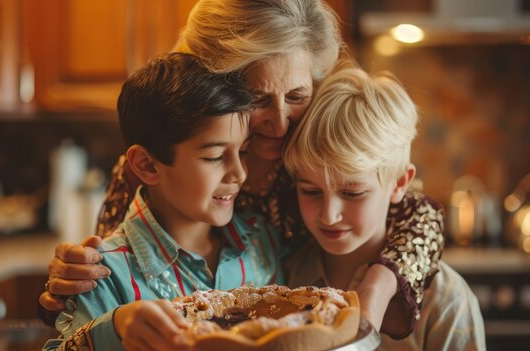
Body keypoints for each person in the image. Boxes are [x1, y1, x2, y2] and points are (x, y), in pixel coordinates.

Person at [40, 0, 445, 337]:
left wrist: (379, 283)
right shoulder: (152, 167)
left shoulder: (313, 150)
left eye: (297, 95)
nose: (281, 123)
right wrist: (71, 282)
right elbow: (109, 277)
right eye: (257, 98)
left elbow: (416, 211)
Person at [43, 53, 286, 351]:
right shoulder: (103, 276)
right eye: (214, 157)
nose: (239, 173)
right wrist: (114, 328)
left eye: (243, 152)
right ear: (147, 165)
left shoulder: (264, 242)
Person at [283, 61, 486, 350]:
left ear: (400, 183)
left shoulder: (445, 302)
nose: (329, 214)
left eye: (353, 193)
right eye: (310, 191)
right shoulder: (281, 276)